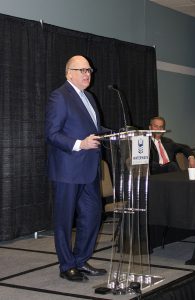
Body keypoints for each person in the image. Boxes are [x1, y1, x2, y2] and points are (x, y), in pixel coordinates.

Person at [45, 55, 109, 282]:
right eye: (81, 70)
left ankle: (81, 260)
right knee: (64, 220)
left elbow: (92, 127)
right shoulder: (59, 97)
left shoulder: (89, 98)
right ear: (68, 73)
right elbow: (52, 134)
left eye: (89, 70)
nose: (86, 74)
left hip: (90, 169)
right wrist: (80, 144)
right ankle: (66, 265)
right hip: (68, 170)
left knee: (92, 215)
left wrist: (113, 132)